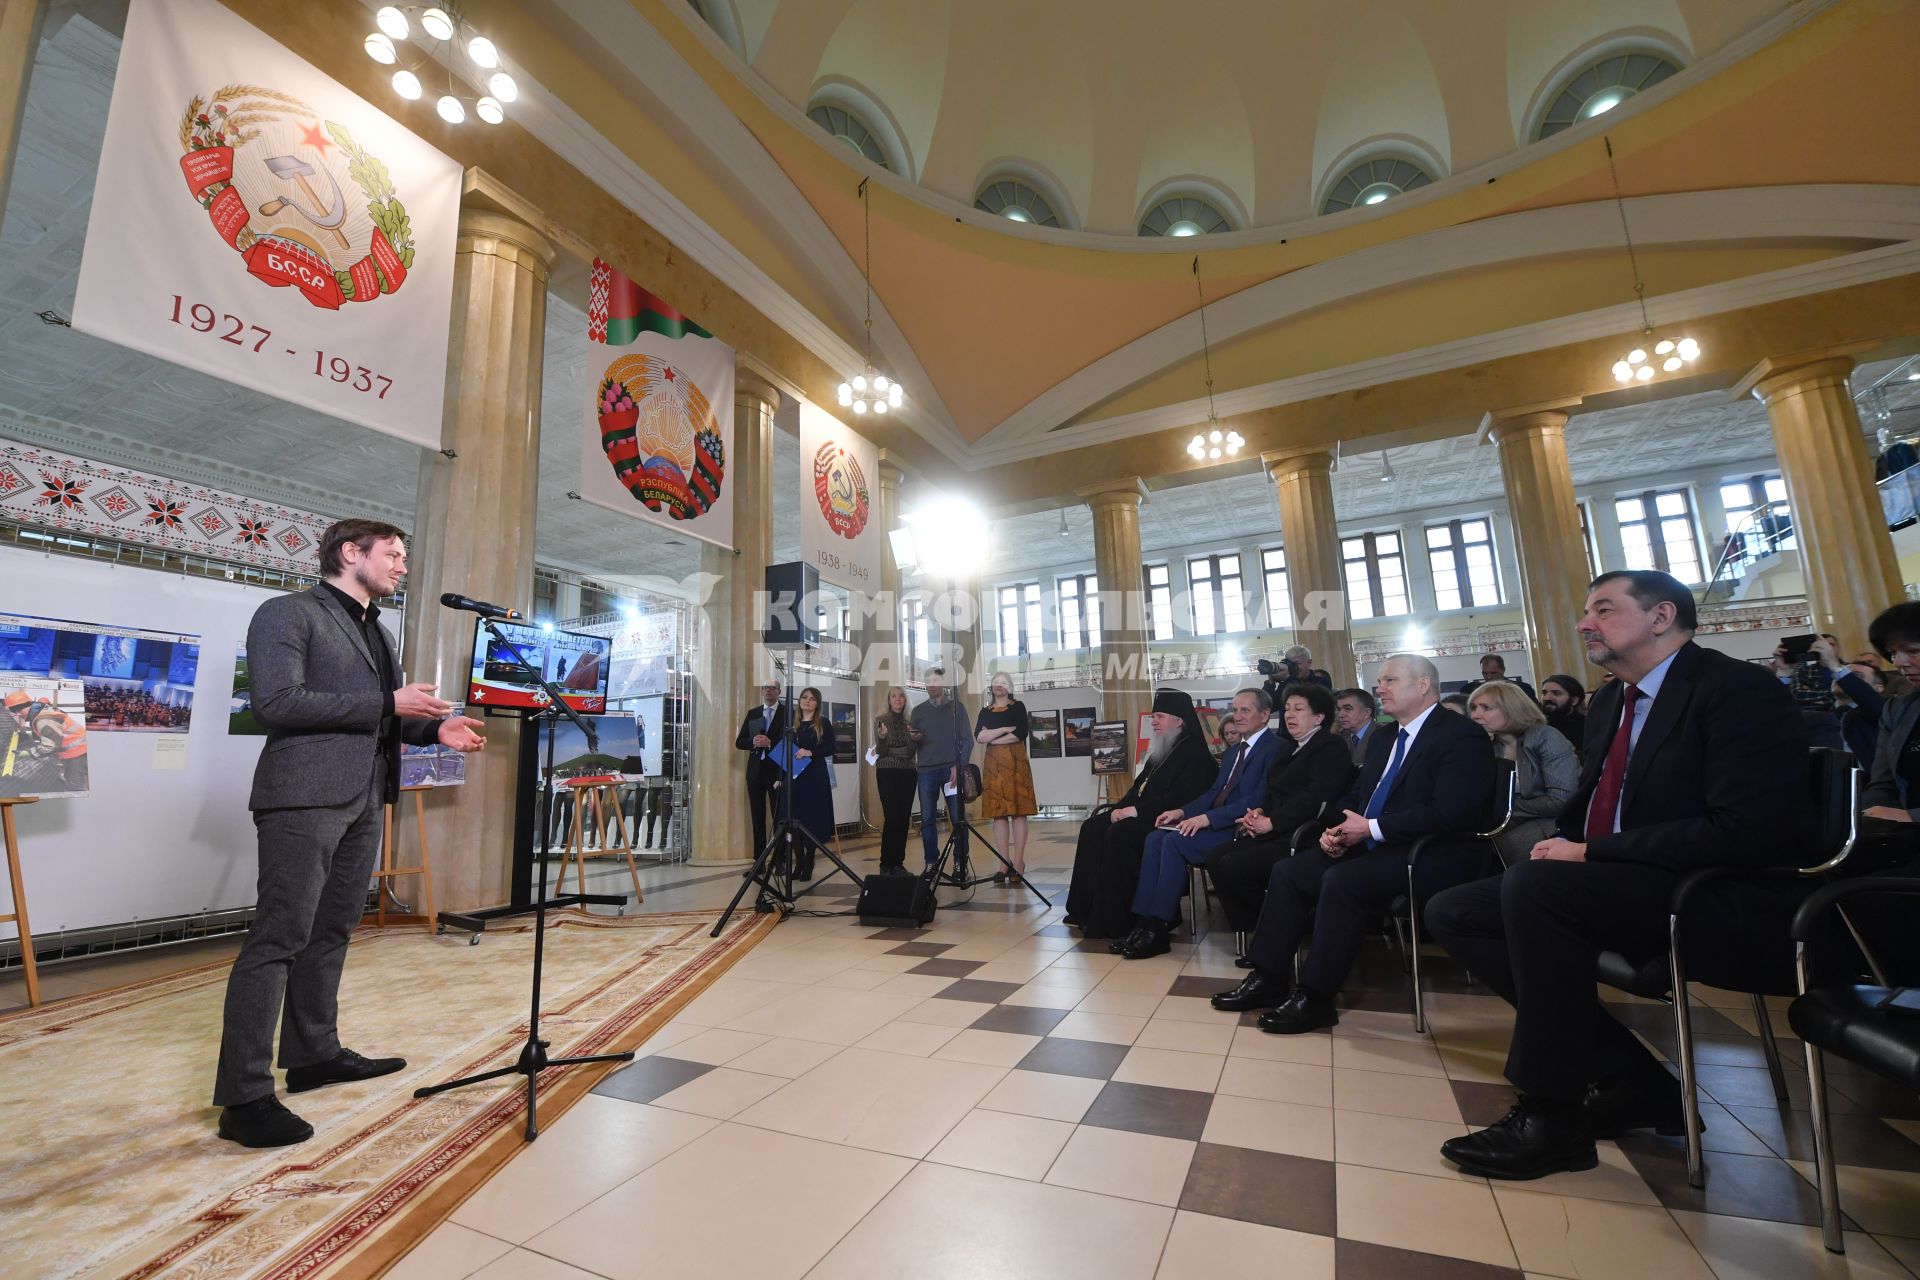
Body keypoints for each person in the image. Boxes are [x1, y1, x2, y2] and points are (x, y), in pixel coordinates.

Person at [1425, 570, 1807, 1180]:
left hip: (1710, 887)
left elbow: (1751, 830)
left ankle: (1554, 1116)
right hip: (1622, 879)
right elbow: (1590, 806)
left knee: (1534, 887)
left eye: (1603, 610)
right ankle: (1634, 1080)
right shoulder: (1612, 701)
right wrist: (1569, 844)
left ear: (1659, 618)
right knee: (1455, 910)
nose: (1584, 624)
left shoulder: (1735, 689)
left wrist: (1595, 854)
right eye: (1586, 610)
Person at [214, 519, 486, 1148]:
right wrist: (392, 704)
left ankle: (312, 1056)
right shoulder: (286, 613)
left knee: (333, 930)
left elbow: (375, 719)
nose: (401, 566)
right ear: (350, 553)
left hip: (364, 799)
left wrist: (429, 730)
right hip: (301, 797)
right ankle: (243, 1097)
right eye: (393, 555)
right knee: (279, 936)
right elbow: (276, 704)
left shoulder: (376, 628)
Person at [1210, 654, 1497, 1031]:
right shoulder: (1385, 737)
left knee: (1342, 881)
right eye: (1381, 681)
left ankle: (1315, 996)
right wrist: (1336, 827)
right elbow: (1357, 795)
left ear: (1423, 685)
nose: (1380, 689)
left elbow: (1454, 813)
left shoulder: (1459, 735)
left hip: (1432, 851)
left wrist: (1372, 829)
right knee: (1290, 871)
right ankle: (1268, 977)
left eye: (1390, 680)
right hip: (1378, 842)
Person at [1113, 687, 1284, 959]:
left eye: (1245, 710)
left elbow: (1257, 798)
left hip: (1240, 827)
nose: (1237, 716)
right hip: (1217, 823)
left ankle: (1158, 927)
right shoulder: (1233, 752)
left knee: (1174, 842)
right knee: (1154, 837)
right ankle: (1143, 920)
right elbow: (1213, 793)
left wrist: (1207, 818)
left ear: (1264, 715)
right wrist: (1181, 811)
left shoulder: (1275, 749)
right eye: (1235, 709)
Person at [1205, 683, 1356, 944]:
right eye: (1286, 709)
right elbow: (1273, 791)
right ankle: (1257, 928)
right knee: (1216, 856)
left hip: (1307, 833)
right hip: (1279, 828)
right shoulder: (1288, 747)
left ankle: (1275, 932)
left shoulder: (1330, 747)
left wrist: (1272, 821)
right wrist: (1260, 813)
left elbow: (1314, 799)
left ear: (1319, 717)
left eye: (1298, 709)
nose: (1289, 715)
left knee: (1235, 864)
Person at [1065, 689, 1216, 938]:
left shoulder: (1196, 755)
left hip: (1169, 819)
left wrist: (1134, 812)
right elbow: (1139, 788)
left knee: (1120, 833)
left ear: (1179, 720)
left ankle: (1121, 918)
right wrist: (1118, 809)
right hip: (1145, 813)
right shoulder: (1161, 751)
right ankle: (1085, 909)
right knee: (1092, 827)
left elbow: (1182, 799)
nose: (1153, 721)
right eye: (1153, 716)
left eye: (1160, 716)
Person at [1466, 680, 1580, 864]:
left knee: (1499, 847)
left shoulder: (1545, 736)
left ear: (1512, 709)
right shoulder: (1486, 745)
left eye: (1486, 708)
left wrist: (1507, 809)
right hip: (1504, 826)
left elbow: (1560, 800)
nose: (1475, 715)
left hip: (1554, 825)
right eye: (1473, 707)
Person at [909, 667, 972, 872]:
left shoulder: (956, 708)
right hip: (925, 771)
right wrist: (913, 739)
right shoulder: (918, 712)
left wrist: (959, 765)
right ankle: (931, 862)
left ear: (943, 683)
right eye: (928, 681)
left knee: (957, 819)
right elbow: (912, 745)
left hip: (951, 770)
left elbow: (967, 741)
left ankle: (960, 862)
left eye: (936, 680)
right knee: (927, 820)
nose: (932, 684)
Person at [976, 674, 1036, 883]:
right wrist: (1003, 729)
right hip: (994, 767)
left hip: (1016, 763)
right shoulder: (985, 711)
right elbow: (979, 737)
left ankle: (1018, 862)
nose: (998, 685)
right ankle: (1004, 863)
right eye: (996, 682)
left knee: (1019, 812)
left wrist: (993, 736)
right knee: (998, 814)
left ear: (1009, 687)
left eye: (1003, 682)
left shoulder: (1018, 707)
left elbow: (1020, 734)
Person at [1809, 635, 1886, 771]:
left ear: (1878, 688)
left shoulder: (1887, 710)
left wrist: (1835, 666)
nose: (1841, 679)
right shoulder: (1820, 716)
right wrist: (1785, 670)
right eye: (1843, 674)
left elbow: (1873, 704)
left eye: (1855, 676)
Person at [782, 686, 835, 878]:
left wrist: (810, 752)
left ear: (817, 703)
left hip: (814, 777)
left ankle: (810, 859)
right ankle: (799, 860)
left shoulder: (823, 723)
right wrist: (781, 778)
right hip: (794, 777)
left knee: (810, 818)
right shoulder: (791, 725)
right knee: (794, 818)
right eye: (804, 697)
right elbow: (785, 752)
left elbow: (831, 748)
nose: (807, 701)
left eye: (812, 698)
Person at [734, 680, 786, 857]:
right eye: (766, 688)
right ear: (762, 692)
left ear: (779, 691)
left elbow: (792, 740)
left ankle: (779, 861)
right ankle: (759, 862)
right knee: (757, 818)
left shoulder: (787, 713)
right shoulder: (753, 713)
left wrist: (771, 742)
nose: (769, 691)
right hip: (755, 772)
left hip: (776, 771)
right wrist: (753, 742)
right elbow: (740, 742)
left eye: (772, 688)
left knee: (779, 817)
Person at [872, 685, 920, 876]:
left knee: (903, 819)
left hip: (908, 773)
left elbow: (911, 751)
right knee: (892, 818)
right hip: (887, 773)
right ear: (889, 700)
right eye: (893, 696)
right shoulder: (880, 720)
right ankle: (886, 864)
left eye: (901, 696)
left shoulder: (911, 721)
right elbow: (881, 751)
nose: (898, 699)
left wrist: (892, 748)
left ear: (905, 699)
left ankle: (898, 863)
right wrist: (884, 740)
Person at [3, 688, 87, 790]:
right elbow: (48, 735)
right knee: (70, 777)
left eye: (18, 711)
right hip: (74, 751)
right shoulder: (41, 712)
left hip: (77, 752)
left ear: (26, 707)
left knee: (75, 784)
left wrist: (29, 753)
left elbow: (50, 746)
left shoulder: (43, 719)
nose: (18, 714)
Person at [1539, 674, 1588, 760]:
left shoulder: (1588, 726)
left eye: (1556, 693)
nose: (1547, 698)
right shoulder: (1537, 726)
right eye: (1544, 693)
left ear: (1574, 700)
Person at [1463, 652, 1537, 702]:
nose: (1488, 677)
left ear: (1503, 670)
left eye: (1493, 673)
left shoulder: (1523, 689)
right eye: (1485, 673)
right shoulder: (1470, 690)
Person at [1334, 687, 1378, 767]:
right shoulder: (1340, 736)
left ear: (1367, 713)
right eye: (1339, 709)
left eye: (1347, 709)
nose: (1340, 714)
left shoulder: (1385, 735)